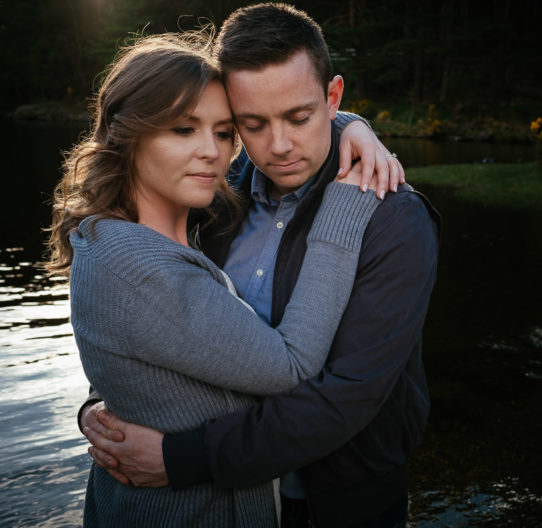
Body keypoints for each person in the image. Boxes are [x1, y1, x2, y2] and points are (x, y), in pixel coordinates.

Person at [81, 3, 441, 527]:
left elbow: (347, 396)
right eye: (251, 124)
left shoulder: (393, 219)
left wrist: (181, 460)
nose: (279, 146)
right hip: (247, 505)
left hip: (341, 502)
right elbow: (162, 326)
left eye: (300, 117)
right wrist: (105, 401)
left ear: (333, 96)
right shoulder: (216, 193)